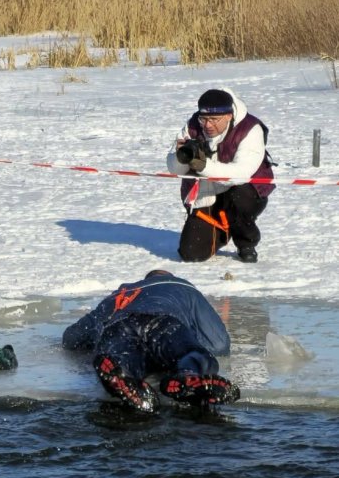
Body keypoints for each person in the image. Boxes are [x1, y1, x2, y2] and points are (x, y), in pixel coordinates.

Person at [61, 270, 239, 413]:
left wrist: (93, 341)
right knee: (193, 353)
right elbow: (219, 343)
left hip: (118, 327)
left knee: (125, 356)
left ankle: (123, 374)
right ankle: (187, 374)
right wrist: (191, 342)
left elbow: (72, 338)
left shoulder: (121, 294)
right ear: (170, 277)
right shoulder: (181, 286)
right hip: (163, 323)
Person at [166, 88, 274, 263]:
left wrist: (203, 166)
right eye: (204, 119)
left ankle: (246, 243)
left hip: (244, 191)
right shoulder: (192, 126)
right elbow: (174, 169)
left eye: (214, 120)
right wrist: (182, 158)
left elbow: (242, 173)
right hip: (207, 193)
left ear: (229, 116)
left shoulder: (250, 129)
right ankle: (222, 229)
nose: (207, 125)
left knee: (239, 196)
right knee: (192, 254)